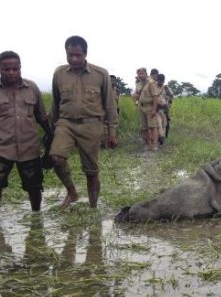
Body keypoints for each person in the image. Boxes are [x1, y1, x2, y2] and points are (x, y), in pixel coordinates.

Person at [0, 51, 52, 213]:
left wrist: (51, 136)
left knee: (34, 187)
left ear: (20, 67)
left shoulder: (31, 88)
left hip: (29, 148)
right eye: (6, 69)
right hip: (1, 148)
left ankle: (36, 215)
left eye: (15, 68)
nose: (11, 73)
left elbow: (41, 116)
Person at [50, 35, 118, 209]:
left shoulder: (100, 74)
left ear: (85, 54)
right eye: (70, 55)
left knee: (91, 172)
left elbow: (110, 105)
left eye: (78, 55)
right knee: (56, 158)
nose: (74, 59)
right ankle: (72, 192)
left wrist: (112, 133)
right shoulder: (59, 73)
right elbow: (55, 103)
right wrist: (51, 130)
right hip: (66, 124)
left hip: (91, 125)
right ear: (66, 53)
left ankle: (93, 206)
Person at [133, 67, 161, 151]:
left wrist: (154, 109)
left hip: (150, 107)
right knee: (144, 127)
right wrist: (136, 98)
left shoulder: (151, 83)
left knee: (153, 126)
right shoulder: (138, 84)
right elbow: (136, 94)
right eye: (139, 74)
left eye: (142, 73)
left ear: (146, 73)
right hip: (141, 107)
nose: (140, 75)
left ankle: (155, 145)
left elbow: (155, 96)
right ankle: (149, 144)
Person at [101, 75, 121, 148]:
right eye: (111, 80)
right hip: (105, 111)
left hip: (114, 110)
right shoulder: (104, 89)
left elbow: (117, 100)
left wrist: (117, 109)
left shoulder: (117, 90)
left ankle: (114, 142)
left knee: (114, 126)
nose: (113, 82)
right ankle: (105, 143)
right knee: (104, 127)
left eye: (114, 80)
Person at [156, 74, 174, 143]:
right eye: (159, 81)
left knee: (165, 124)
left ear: (163, 81)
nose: (160, 83)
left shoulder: (166, 88)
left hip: (165, 109)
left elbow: (172, 96)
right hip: (157, 108)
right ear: (157, 80)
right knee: (158, 124)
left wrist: (169, 104)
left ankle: (163, 137)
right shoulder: (154, 87)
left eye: (162, 81)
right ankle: (159, 137)